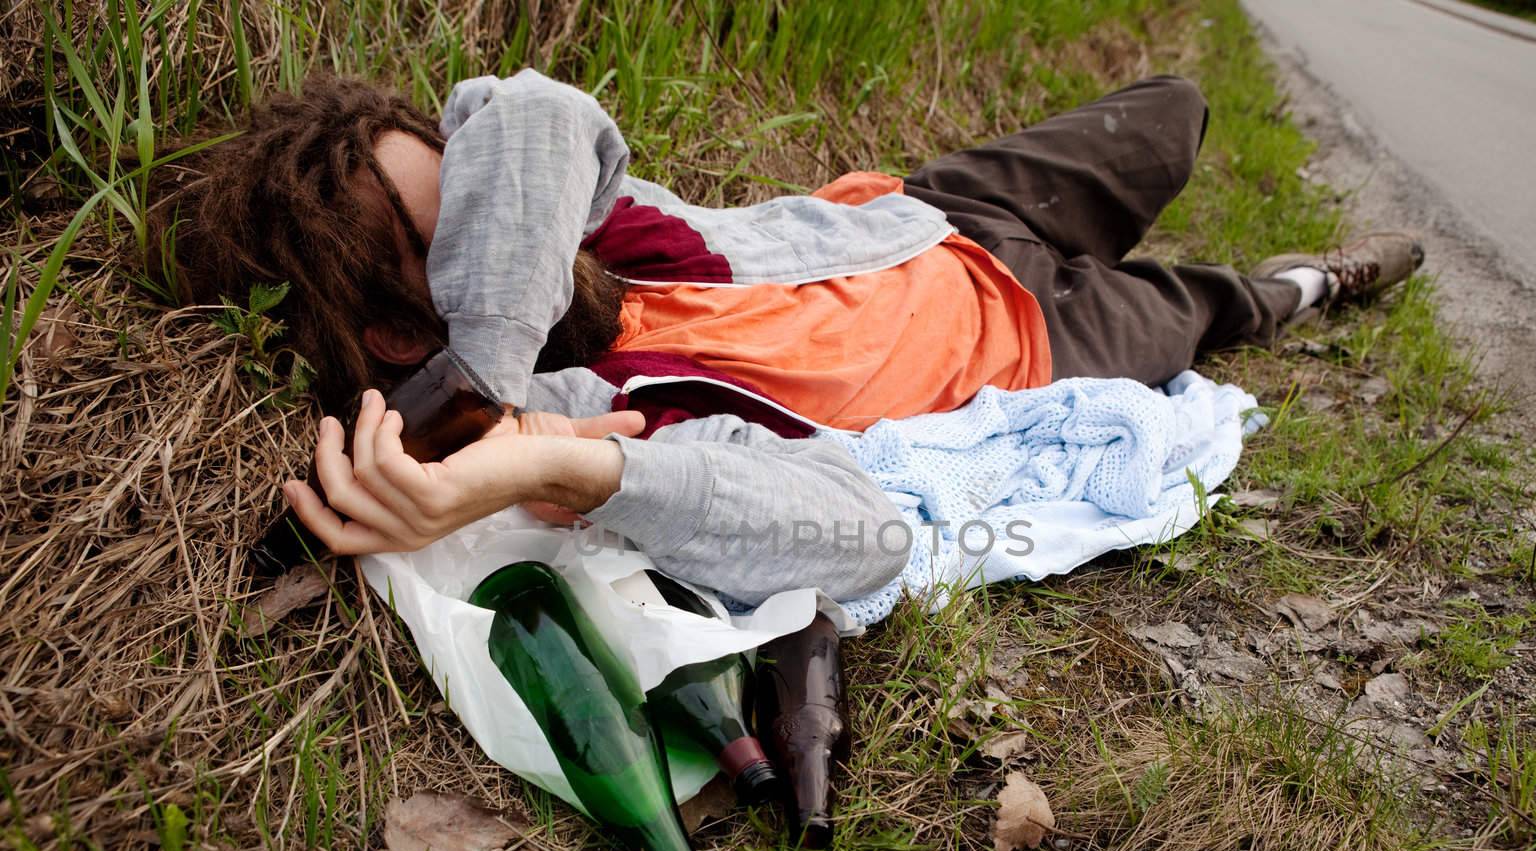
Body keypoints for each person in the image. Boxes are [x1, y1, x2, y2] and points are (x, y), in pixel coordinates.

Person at [167, 70, 1421, 606]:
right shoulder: (583, 411)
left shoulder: (574, 221)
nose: (514, 233)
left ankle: (1263, 264)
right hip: (1043, 343)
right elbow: (867, 536)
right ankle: (1314, 281)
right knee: (1210, 308)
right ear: (396, 323)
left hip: (932, 215)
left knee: (1174, 107)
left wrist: (479, 363)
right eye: (460, 236)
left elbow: (528, 113)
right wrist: (549, 454)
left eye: (488, 201)